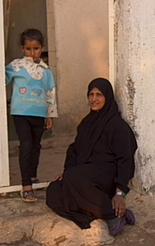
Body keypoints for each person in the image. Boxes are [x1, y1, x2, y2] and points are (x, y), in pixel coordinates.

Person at [46, 78, 137, 236]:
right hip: (85, 175)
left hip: (108, 174)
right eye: (91, 94)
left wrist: (120, 193)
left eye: (99, 95)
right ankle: (107, 211)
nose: (94, 99)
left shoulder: (117, 125)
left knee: (74, 176)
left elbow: (126, 159)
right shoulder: (86, 123)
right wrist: (66, 174)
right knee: (53, 191)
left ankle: (112, 215)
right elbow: (74, 150)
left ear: (107, 97)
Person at [5, 28, 58, 202]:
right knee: (26, 145)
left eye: (35, 48)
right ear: (22, 48)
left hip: (39, 114)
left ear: (41, 47)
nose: (32, 52)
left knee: (36, 146)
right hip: (20, 113)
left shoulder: (45, 70)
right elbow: (3, 78)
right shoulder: (16, 66)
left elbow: (50, 93)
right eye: (28, 49)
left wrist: (49, 115)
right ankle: (26, 185)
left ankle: (33, 176)